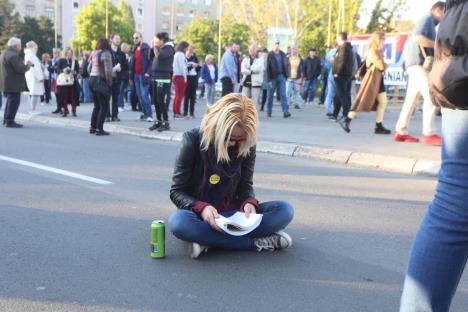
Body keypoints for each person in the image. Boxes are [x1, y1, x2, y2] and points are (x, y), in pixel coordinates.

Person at [399, 1, 468, 310]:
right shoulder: (425, 20)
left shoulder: (440, 16)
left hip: (458, 60)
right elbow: (418, 39)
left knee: (454, 201)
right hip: (452, 63)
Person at [167, 93, 294, 259]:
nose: (233, 144)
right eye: (228, 137)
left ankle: (208, 241)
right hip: (200, 217)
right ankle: (253, 243)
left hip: (233, 215)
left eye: (240, 139)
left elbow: (246, 186)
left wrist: (249, 202)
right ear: (216, 127)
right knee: (178, 222)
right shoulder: (192, 140)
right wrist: (202, 208)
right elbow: (177, 191)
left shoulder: (247, 144)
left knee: (284, 210)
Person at [394, 2, 445, 146]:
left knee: (411, 99)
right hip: (418, 64)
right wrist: (438, 45)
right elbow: (418, 38)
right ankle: (429, 133)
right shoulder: (427, 18)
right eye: (444, 13)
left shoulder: (429, 21)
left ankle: (401, 131)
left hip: (414, 64)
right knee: (431, 96)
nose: (444, 18)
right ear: (437, 10)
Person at [338, 31, 391, 135]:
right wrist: (385, 65)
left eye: (384, 39)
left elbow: (381, 66)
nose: (384, 42)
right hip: (371, 80)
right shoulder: (373, 51)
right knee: (362, 101)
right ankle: (346, 120)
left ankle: (378, 126)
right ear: (377, 40)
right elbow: (381, 66)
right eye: (382, 39)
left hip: (378, 79)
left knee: (383, 102)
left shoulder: (378, 51)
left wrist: (383, 64)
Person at [0, 37, 31, 128]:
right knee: (14, 102)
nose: (21, 47)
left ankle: (6, 119)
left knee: (10, 101)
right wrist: (28, 65)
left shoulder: (4, 53)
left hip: (6, 82)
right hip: (13, 83)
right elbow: (21, 69)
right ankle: (10, 121)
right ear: (16, 46)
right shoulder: (14, 55)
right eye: (20, 45)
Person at [149, 32, 174, 132]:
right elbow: (151, 57)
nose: (155, 42)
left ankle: (165, 122)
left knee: (160, 100)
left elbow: (160, 56)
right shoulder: (160, 48)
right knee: (155, 100)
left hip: (163, 78)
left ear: (163, 40)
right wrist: (152, 47)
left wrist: (156, 48)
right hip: (155, 76)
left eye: (157, 40)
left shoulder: (169, 48)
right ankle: (158, 121)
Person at [88, 38, 113, 136]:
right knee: (104, 106)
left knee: (97, 105)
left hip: (92, 79)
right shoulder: (106, 53)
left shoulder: (94, 53)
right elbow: (108, 71)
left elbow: (88, 68)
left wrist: (94, 74)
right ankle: (99, 129)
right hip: (100, 81)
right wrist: (109, 82)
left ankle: (92, 127)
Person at [129, 32, 153, 122]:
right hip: (136, 76)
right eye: (134, 38)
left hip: (144, 76)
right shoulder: (134, 49)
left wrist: (148, 73)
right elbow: (132, 64)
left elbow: (151, 62)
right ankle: (144, 114)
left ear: (141, 38)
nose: (135, 39)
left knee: (144, 95)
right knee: (139, 96)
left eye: (137, 38)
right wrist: (131, 78)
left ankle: (149, 114)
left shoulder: (146, 48)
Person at [332, 32, 354, 122]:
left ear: (340, 38)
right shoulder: (347, 47)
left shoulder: (344, 48)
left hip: (341, 75)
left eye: (337, 38)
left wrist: (337, 72)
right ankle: (335, 114)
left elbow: (342, 61)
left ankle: (346, 115)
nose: (336, 40)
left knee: (343, 96)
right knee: (338, 96)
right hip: (346, 75)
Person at [266, 41, 290, 118]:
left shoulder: (282, 54)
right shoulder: (270, 55)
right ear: (272, 46)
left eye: (278, 45)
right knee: (270, 95)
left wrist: (286, 75)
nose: (276, 46)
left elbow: (287, 64)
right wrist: (269, 79)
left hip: (281, 76)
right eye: (275, 45)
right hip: (273, 77)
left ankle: (285, 111)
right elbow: (267, 68)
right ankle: (269, 111)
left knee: (283, 94)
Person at [107, 34, 128, 122]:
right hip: (107, 78)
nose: (118, 40)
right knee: (107, 98)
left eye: (119, 39)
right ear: (112, 40)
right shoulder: (107, 51)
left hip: (117, 78)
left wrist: (121, 69)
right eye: (116, 39)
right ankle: (107, 116)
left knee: (116, 97)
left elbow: (126, 67)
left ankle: (115, 116)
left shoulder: (122, 54)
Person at [57, 48, 80, 117]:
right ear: (65, 53)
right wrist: (63, 71)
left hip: (73, 81)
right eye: (68, 53)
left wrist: (76, 73)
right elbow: (57, 69)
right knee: (64, 97)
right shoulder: (61, 60)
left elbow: (78, 71)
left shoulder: (75, 61)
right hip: (64, 81)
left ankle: (74, 111)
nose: (70, 55)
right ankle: (65, 110)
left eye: (71, 53)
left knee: (74, 96)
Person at [24, 41, 44, 114]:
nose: (36, 48)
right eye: (35, 47)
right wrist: (40, 77)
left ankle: (32, 108)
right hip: (34, 76)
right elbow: (35, 68)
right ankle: (32, 109)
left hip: (32, 75)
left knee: (33, 93)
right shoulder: (31, 55)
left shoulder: (29, 55)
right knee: (35, 93)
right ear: (32, 47)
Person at [172, 41, 189, 119]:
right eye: (187, 48)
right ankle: (177, 113)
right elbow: (182, 67)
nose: (187, 49)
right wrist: (185, 77)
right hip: (180, 76)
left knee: (176, 95)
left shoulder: (176, 54)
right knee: (180, 95)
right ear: (184, 47)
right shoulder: (181, 55)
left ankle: (175, 111)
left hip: (175, 75)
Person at [183, 45, 200, 118]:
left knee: (193, 96)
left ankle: (192, 112)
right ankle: (185, 112)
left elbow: (198, 68)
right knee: (186, 96)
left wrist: (198, 66)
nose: (191, 52)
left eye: (193, 51)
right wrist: (192, 66)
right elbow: (185, 69)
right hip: (187, 77)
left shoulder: (194, 57)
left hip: (194, 77)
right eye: (190, 51)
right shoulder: (184, 58)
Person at [324, 45, 338, 119]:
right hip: (336, 75)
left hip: (330, 74)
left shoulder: (329, 52)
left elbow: (326, 65)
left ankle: (328, 110)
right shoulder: (339, 51)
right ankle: (337, 111)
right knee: (337, 94)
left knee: (329, 94)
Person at [119, 43, 131, 111]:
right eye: (127, 48)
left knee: (122, 91)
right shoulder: (123, 55)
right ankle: (120, 105)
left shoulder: (125, 55)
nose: (128, 49)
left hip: (125, 75)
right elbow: (125, 65)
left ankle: (121, 105)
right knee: (121, 91)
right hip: (123, 75)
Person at [50, 48, 61, 113]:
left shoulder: (61, 59)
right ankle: (58, 107)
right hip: (54, 78)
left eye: (56, 53)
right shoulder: (52, 60)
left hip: (59, 78)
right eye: (54, 53)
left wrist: (55, 68)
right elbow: (50, 68)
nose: (54, 54)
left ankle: (62, 108)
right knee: (56, 94)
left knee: (60, 94)